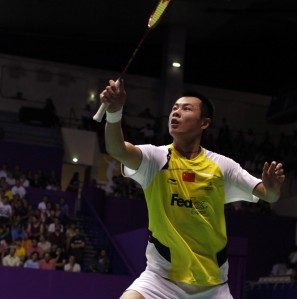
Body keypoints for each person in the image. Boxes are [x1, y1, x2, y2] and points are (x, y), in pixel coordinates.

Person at [99, 79, 285, 299]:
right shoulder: (156, 159)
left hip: (212, 286)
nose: (176, 113)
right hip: (161, 279)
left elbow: (269, 196)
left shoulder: (222, 166)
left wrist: (272, 187)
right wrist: (114, 113)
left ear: (204, 123)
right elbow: (117, 149)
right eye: (174, 109)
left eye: (186, 109)